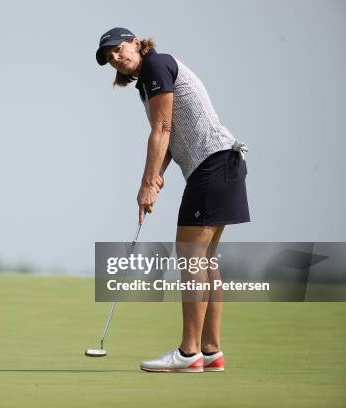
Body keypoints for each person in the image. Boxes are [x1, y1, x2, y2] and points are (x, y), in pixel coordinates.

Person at [95, 27, 250, 373]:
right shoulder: (148, 79)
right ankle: (210, 351)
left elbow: (162, 129)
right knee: (205, 261)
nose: (117, 59)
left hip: (212, 164)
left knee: (192, 260)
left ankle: (188, 352)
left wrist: (147, 182)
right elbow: (171, 134)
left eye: (119, 49)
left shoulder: (156, 65)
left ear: (136, 43)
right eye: (110, 58)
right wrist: (159, 173)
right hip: (222, 164)